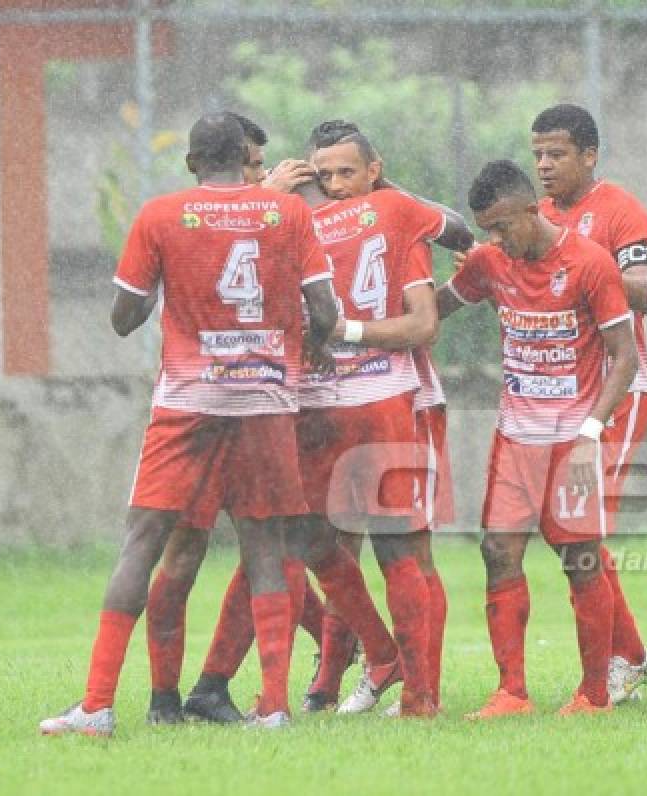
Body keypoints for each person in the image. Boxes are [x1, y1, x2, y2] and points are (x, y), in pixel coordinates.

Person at [38, 113, 339, 735]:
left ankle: (96, 704)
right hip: (265, 399)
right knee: (265, 548)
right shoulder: (289, 214)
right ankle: (276, 707)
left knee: (144, 543)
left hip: (190, 400)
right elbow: (326, 309)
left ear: (193, 162)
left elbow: (124, 317)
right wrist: (308, 339)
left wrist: (157, 289)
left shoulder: (161, 215)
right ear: (247, 156)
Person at [191, 121, 472, 719]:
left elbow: (422, 322)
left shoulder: (282, 221)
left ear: (373, 168)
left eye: (350, 171)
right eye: (328, 174)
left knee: (390, 550)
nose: (339, 184)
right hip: (345, 401)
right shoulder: (391, 212)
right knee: (322, 541)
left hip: (364, 397)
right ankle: (373, 668)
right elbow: (461, 232)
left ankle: (414, 687)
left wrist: (334, 329)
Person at [136, 113, 331, 726]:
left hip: (274, 404)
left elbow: (319, 307)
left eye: (261, 166)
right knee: (194, 548)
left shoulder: (299, 217)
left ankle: (218, 684)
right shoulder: (250, 214)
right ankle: (171, 695)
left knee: (279, 549)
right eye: (249, 164)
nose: (257, 176)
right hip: (213, 406)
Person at [436, 159, 638, 716]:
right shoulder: (488, 262)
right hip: (515, 437)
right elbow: (434, 309)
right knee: (497, 551)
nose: (494, 240)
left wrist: (590, 433)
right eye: (487, 230)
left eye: (502, 226)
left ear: (532, 209)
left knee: (580, 559)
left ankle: (593, 695)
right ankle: (511, 692)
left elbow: (625, 357)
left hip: (572, 437)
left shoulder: (589, 263)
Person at [530, 103, 647, 702]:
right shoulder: (540, 215)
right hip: (560, 391)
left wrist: (586, 262)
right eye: (537, 154)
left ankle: (625, 660)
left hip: (619, 387)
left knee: (580, 527)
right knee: (564, 530)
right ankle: (630, 653)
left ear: (588, 156)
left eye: (556, 153)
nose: (544, 165)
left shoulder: (618, 210)